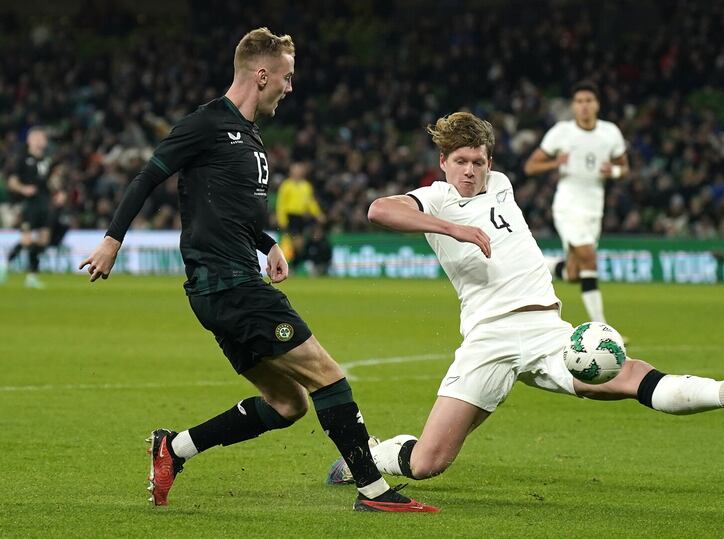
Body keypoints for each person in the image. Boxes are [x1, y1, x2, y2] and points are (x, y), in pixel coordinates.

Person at [79, 27, 436, 513]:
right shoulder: (205, 124)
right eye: (287, 77)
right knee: (329, 377)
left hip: (227, 285)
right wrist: (111, 240)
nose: (291, 87)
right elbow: (148, 176)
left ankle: (174, 448)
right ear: (262, 74)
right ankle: (373, 490)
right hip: (229, 287)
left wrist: (267, 243)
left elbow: (231, 213)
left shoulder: (250, 136)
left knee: (289, 404)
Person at [326, 111, 724, 486]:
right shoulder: (437, 198)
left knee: (629, 374)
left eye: (478, 162)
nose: (470, 171)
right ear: (443, 162)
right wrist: (453, 228)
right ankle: (371, 454)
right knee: (429, 463)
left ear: (489, 163)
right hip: (490, 338)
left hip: (547, 329)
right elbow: (378, 210)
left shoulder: (500, 184)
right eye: (460, 161)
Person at [524, 81, 628, 325]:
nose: (584, 106)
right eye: (579, 102)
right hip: (568, 205)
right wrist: (555, 163)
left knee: (574, 274)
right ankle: (603, 328)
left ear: (597, 105)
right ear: (573, 106)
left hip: (595, 207)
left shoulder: (610, 132)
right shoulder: (562, 132)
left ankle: (542, 264)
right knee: (589, 258)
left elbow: (624, 168)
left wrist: (611, 171)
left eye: (588, 101)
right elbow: (530, 166)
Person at [6, 127, 52, 289]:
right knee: (27, 240)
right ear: (30, 140)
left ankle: (32, 276)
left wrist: (57, 192)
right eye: (37, 137)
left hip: (44, 203)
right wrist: (23, 189)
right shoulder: (22, 158)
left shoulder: (47, 160)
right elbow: (12, 181)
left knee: (43, 239)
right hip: (28, 204)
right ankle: (5, 264)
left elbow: (50, 182)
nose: (41, 140)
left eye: (42, 137)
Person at [275, 161, 324, 266]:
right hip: (290, 217)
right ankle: (294, 264)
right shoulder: (286, 185)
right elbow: (281, 204)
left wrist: (318, 214)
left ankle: (292, 265)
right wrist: (282, 219)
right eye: (295, 170)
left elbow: (310, 202)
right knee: (296, 243)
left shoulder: (306, 186)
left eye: (299, 170)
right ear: (291, 172)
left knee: (298, 244)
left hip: (301, 218)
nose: (297, 172)